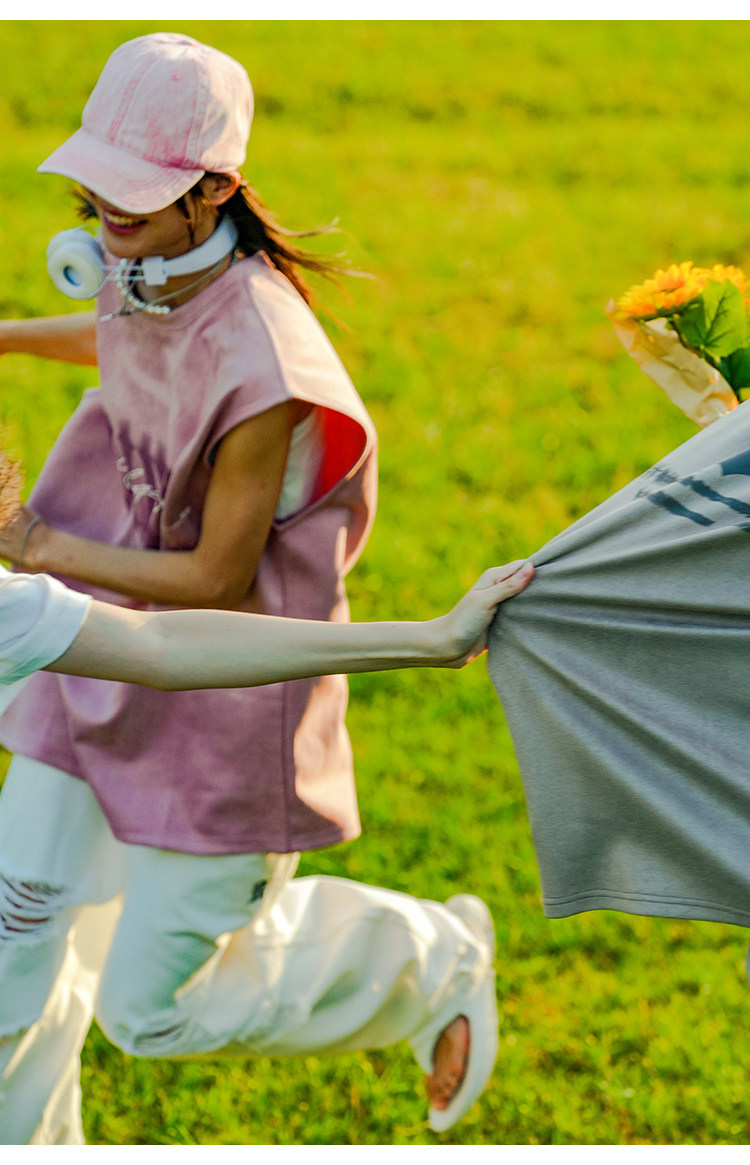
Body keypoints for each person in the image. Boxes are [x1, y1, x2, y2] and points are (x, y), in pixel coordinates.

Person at [0, 32, 519, 1145]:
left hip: (222, 688)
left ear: (215, 189)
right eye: (99, 187)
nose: (107, 211)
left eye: (135, 192)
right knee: (16, 939)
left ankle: (435, 958)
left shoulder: (266, 365)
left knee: (150, 1014)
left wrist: (36, 544)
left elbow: (215, 580)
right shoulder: (153, 260)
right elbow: (133, 339)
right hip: (96, 644)